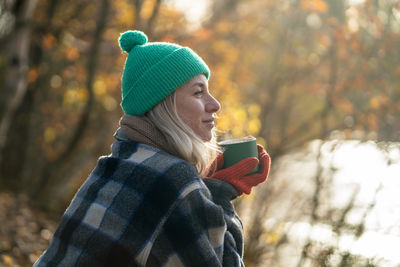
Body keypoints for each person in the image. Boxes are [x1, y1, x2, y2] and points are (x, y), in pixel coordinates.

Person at [34, 30, 271, 267]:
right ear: (163, 105)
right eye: (199, 92)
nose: (215, 104)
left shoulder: (115, 163)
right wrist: (220, 194)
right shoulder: (175, 179)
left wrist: (204, 191)